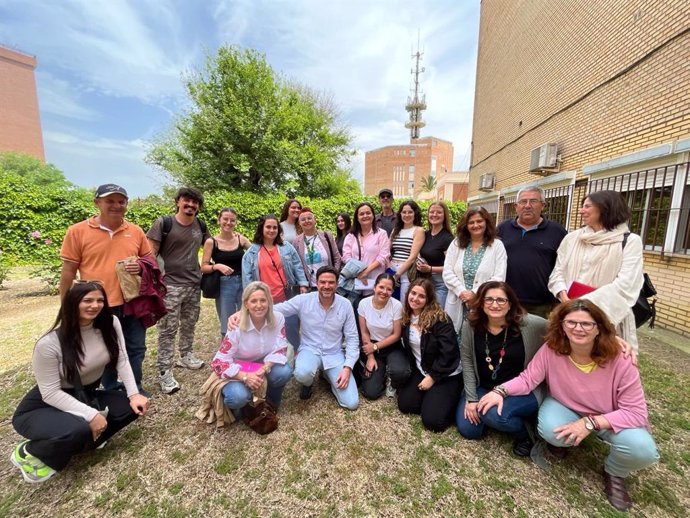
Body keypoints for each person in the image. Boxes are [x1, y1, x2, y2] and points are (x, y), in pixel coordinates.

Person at [477, 300, 659, 512]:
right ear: (562, 325)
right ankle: (565, 442)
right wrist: (500, 391)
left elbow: (636, 412)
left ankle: (615, 472)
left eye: (586, 324)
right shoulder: (552, 349)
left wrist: (591, 423)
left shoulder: (621, 359)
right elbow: (528, 379)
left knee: (643, 450)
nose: (578, 328)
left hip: (611, 416)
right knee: (550, 431)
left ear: (599, 327)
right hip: (566, 406)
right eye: (571, 322)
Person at [11, 282, 149, 483]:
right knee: (79, 428)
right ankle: (29, 451)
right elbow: (50, 393)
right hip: (45, 404)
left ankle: (86, 442)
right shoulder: (49, 344)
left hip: (85, 393)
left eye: (100, 300)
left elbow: (122, 359)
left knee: (129, 407)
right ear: (72, 303)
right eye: (88, 300)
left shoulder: (111, 323)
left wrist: (134, 393)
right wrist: (91, 414)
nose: (95, 305)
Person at [59, 184, 152, 395]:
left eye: (121, 201)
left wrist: (141, 266)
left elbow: (150, 260)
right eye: (110, 201)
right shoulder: (77, 231)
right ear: (97, 202)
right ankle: (111, 388)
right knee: (106, 351)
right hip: (98, 304)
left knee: (136, 348)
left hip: (132, 302)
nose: (116, 206)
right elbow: (68, 272)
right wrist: (66, 305)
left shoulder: (135, 231)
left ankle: (134, 387)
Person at [456, 281, 546, 456]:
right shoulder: (471, 326)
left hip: (522, 390)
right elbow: (466, 360)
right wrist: (472, 398)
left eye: (501, 300)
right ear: (481, 303)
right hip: (485, 387)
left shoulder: (530, 324)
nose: (494, 304)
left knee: (494, 415)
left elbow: (563, 328)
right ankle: (498, 415)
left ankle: (525, 433)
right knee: (469, 430)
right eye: (488, 299)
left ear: (510, 303)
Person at [548, 190, 643, 351]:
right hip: (568, 313)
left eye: (587, 206)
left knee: (602, 361)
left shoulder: (630, 241)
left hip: (606, 317)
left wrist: (582, 306)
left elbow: (626, 284)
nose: (581, 210)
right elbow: (557, 272)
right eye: (582, 206)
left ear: (605, 208)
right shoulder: (572, 238)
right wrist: (563, 294)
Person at [147, 187, 210, 394]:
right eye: (187, 201)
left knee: (190, 323)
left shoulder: (200, 225)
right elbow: (150, 254)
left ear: (198, 206)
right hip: (170, 285)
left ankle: (186, 355)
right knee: (167, 329)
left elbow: (211, 245)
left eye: (195, 202)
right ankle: (165, 371)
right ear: (178, 202)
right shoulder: (164, 223)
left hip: (193, 283)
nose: (190, 205)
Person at [275, 266, 360, 409]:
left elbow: (352, 338)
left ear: (337, 284)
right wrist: (244, 312)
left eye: (331, 282)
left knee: (351, 403)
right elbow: (278, 309)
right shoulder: (303, 300)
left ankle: (327, 375)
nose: (327, 286)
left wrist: (347, 367)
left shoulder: (345, 305)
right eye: (323, 282)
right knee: (302, 373)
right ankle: (308, 383)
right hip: (310, 350)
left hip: (334, 354)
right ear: (316, 283)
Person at [210, 282, 293, 417]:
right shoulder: (236, 326)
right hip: (238, 366)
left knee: (284, 372)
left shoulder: (278, 319)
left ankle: (270, 403)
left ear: (269, 302)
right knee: (237, 397)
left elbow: (280, 346)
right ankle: (241, 406)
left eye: (263, 300)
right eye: (253, 301)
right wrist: (245, 377)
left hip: (263, 361)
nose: (259, 305)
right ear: (246, 304)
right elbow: (218, 362)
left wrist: (264, 368)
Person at [397, 278, 462, 432]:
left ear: (429, 299)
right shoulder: (406, 317)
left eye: (422, 296)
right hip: (422, 369)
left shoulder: (440, 319)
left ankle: (453, 399)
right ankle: (433, 399)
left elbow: (449, 353)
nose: (415, 299)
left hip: (446, 373)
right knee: (406, 406)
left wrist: (433, 377)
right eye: (413, 293)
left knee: (433, 422)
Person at [497, 186, 566, 318]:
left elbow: (564, 267)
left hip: (541, 306)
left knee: (536, 338)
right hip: (505, 300)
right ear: (516, 206)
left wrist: (558, 302)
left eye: (533, 201)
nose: (527, 206)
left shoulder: (557, 232)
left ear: (543, 205)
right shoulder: (502, 229)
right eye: (523, 202)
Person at [242, 214, 308, 349]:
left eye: (275, 227)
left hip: (286, 297)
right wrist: (250, 298)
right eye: (268, 227)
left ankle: (294, 356)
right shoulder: (252, 252)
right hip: (264, 300)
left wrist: (303, 283)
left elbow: (297, 265)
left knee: (291, 330)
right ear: (261, 229)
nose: (272, 230)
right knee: (268, 332)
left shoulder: (286, 247)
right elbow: (247, 278)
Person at [443, 207, 507, 336]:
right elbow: (447, 271)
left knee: (478, 339)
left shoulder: (497, 246)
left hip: (483, 301)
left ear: (486, 222)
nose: (475, 225)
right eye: (471, 222)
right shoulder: (456, 243)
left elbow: (499, 276)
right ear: (465, 225)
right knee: (453, 338)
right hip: (457, 300)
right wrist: (461, 292)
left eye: (479, 221)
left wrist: (475, 293)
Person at [201, 208, 251, 340]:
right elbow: (204, 267)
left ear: (236, 222)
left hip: (243, 283)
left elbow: (256, 254)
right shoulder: (211, 242)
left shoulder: (241, 239)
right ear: (219, 220)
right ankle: (226, 352)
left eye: (232, 220)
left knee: (246, 317)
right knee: (226, 320)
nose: (229, 223)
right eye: (225, 219)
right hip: (224, 284)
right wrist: (217, 266)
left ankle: (246, 348)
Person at [357, 273, 407, 400]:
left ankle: (393, 379)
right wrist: (370, 356)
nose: (384, 292)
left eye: (389, 289)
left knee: (401, 372)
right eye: (381, 287)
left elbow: (397, 335)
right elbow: (364, 332)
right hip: (371, 346)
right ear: (374, 287)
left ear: (392, 291)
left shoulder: (396, 305)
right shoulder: (363, 303)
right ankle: (381, 372)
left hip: (391, 345)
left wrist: (375, 346)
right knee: (371, 392)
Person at [342, 202, 391, 297]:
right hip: (354, 283)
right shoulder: (351, 236)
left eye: (368, 213)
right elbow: (346, 256)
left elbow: (383, 256)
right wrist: (358, 273)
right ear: (357, 217)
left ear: (373, 215)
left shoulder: (381, 234)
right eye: (361, 214)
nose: (365, 216)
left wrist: (366, 272)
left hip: (375, 282)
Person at [416, 201, 454, 308]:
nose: (434, 215)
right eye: (432, 212)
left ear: (445, 215)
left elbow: (451, 267)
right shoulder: (425, 234)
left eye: (439, 212)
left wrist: (430, 269)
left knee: (436, 314)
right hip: (424, 280)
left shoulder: (448, 238)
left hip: (440, 283)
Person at [293, 207, 341, 290]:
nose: (307, 221)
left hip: (328, 285)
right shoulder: (296, 241)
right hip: (309, 287)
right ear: (299, 223)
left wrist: (333, 275)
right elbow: (296, 265)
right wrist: (302, 283)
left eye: (309, 218)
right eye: (303, 219)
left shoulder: (326, 236)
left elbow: (337, 258)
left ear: (315, 220)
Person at [389, 200, 425, 303]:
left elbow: (412, 257)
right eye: (404, 212)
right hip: (391, 269)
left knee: (404, 304)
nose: (406, 215)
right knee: (391, 303)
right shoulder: (396, 230)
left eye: (410, 212)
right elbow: (387, 250)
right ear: (400, 214)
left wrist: (397, 275)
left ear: (415, 213)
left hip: (406, 274)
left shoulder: (418, 230)